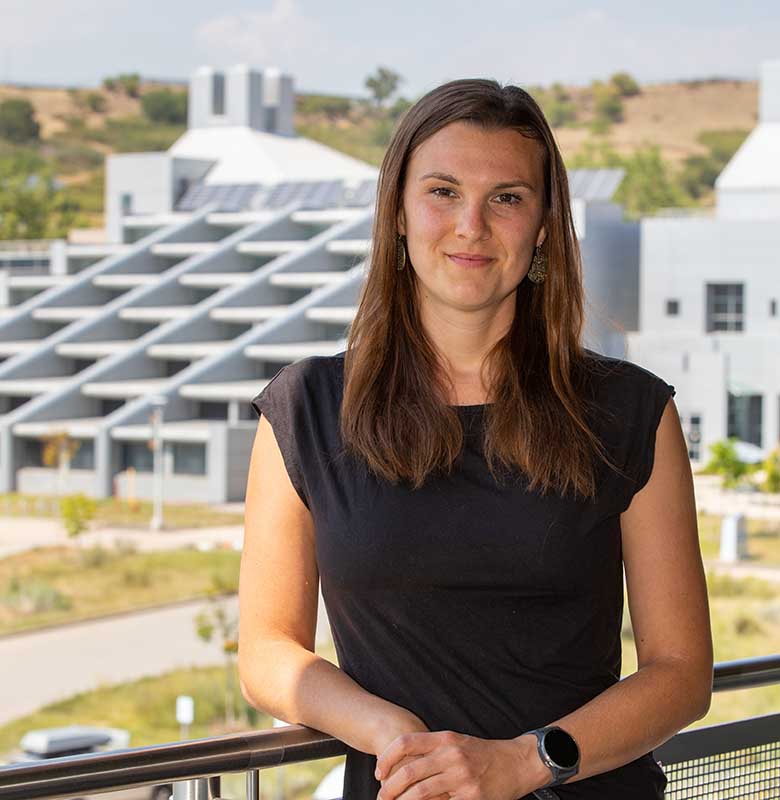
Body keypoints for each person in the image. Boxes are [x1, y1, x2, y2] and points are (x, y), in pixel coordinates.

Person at [239, 78, 713, 800]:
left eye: (508, 198)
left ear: (545, 225)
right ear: (397, 212)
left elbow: (681, 672)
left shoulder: (629, 411)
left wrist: (524, 762)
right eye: (442, 191)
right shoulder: (305, 409)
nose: (471, 226)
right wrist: (388, 732)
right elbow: (268, 651)